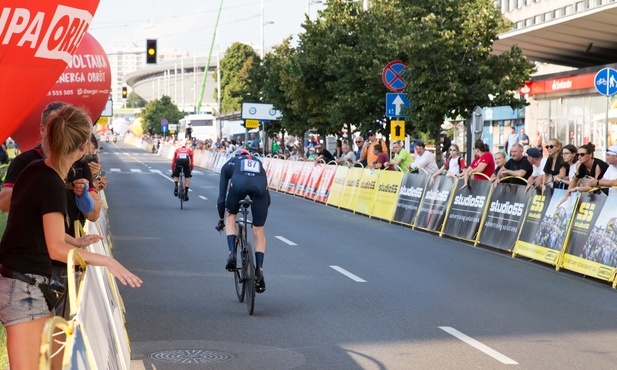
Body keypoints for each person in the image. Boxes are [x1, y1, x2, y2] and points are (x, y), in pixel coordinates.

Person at [0, 105, 141, 369]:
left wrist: (74, 241)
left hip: (24, 284)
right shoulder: (50, 183)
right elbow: (54, 248)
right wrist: (107, 262)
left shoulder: (36, 170)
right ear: (84, 145)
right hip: (24, 288)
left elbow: (32, 230)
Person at [216, 149, 270, 293]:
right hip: (259, 186)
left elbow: (221, 198)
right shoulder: (258, 163)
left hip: (238, 184)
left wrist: (221, 219)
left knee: (231, 216)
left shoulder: (230, 163)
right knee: (259, 229)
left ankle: (232, 253)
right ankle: (259, 269)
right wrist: (260, 217)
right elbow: (268, 199)